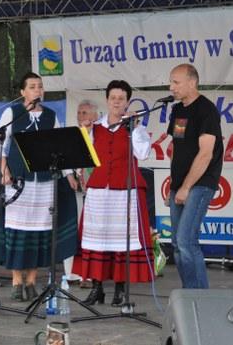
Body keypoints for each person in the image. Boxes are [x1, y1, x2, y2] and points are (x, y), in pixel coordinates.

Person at [0, 72, 78, 301]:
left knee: (40, 232)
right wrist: (5, 171)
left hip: (44, 182)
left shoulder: (50, 116)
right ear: (23, 92)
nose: (38, 90)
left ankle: (32, 281)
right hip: (19, 181)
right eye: (32, 86)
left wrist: (68, 175)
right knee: (18, 232)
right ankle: (17, 281)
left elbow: (60, 146)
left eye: (40, 86)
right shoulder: (13, 113)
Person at [73, 80, 154, 306]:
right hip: (99, 191)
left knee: (122, 240)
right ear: (107, 101)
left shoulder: (134, 128)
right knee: (97, 239)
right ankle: (97, 287)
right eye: (113, 98)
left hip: (124, 191)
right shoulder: (95, 127)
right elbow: (81, 154)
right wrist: (85, 132)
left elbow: (143, 154)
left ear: (127, 102)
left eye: (121, 98)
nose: (117, 102)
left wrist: (134, 129)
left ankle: (120, 289)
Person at [166, 63, 223, 289]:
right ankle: (189, 293)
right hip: (180, 184)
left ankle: (199, 296)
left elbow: (206, 153)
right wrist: (174, 185)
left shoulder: (206, 110)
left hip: (199, 183)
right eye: (171, 82)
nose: (171, 87)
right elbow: (176, 146)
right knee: (177, 243)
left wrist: (186, 187)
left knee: (186, 240)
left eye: (176, 82)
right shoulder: (178, 110)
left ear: (192, 82)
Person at [62, 99, 98, 286]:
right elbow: (63, 158)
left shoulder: (99, 135)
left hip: (95, 188)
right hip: (74, 186)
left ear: (94, 116)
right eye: (78, 112)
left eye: (84, 112)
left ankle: (90, 273)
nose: (80, 116)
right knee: (72, 228)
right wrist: (69, 175)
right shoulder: (71, 134)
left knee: (91, 229)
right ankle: (72, 273)